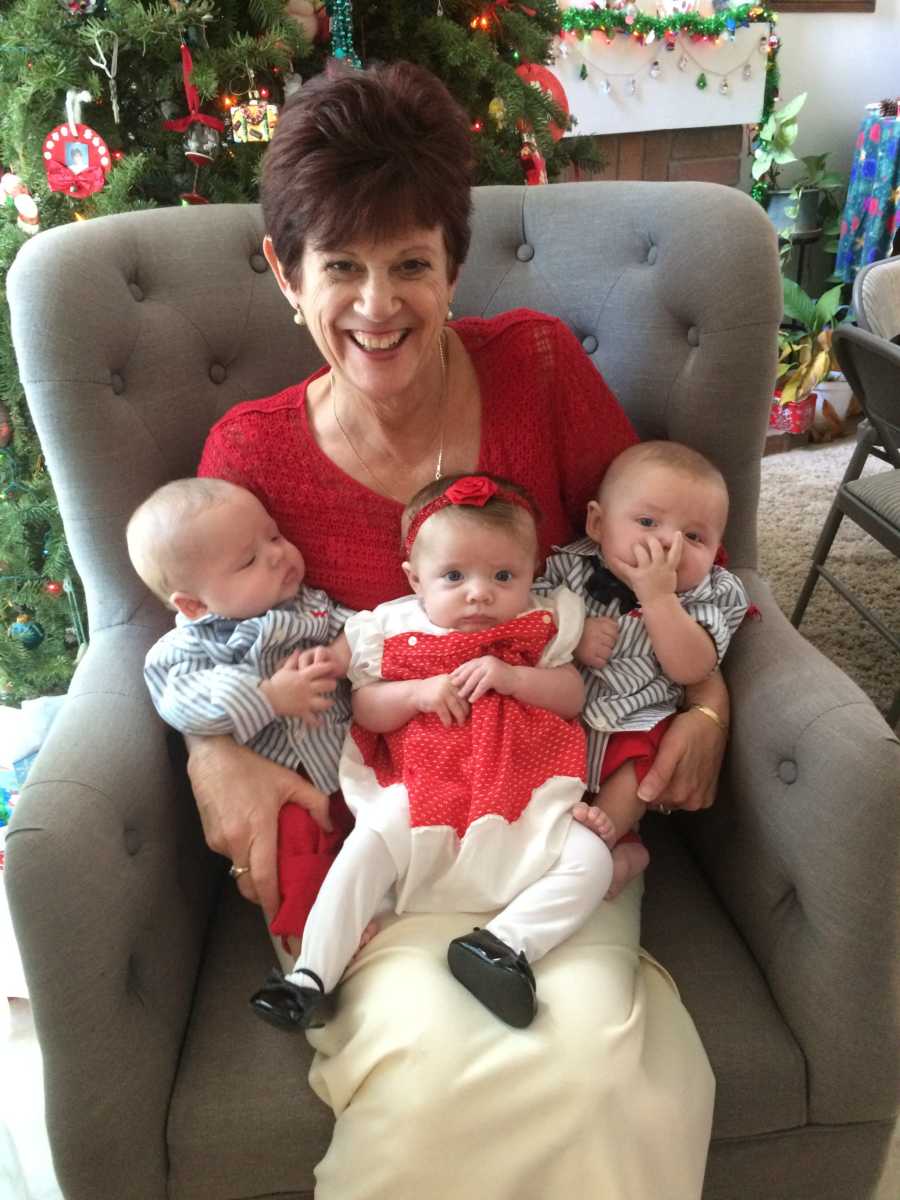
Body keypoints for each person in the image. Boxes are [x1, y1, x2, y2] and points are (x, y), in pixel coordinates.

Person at [189, 60, 723, 1199]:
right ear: (288, 273)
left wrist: (711, 706)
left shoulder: (534, 366)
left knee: (594, 1072)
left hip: (541, 831)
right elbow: (195, 647)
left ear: (453, 264)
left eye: (410, 265)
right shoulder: (250, 455)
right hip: (383, 848)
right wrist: (211, 749)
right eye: (341, 266)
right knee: (431, 1079)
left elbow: (659, 560)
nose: (377, 305)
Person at [251, 473, 613, 1032]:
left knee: (591, 858)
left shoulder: (538, 622)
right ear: (414, 579)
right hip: (425, 793)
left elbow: (572, 696)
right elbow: (366, 710)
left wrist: (513, 678)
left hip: (523, 792)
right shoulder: (390, 627)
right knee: (366, 846)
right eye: (453, 576)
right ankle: (311, 976)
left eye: (503, 575)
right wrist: (418, 692)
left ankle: (499, 947)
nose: (479, 593)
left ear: (532, 573)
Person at [126, 477, 355, 938]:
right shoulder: (185, 649)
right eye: (249, 560)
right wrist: (268, 696)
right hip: (283, 788)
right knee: (293, 850)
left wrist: (341, 652)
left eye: (274, 535)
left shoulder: (311, 607)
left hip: (351, 765)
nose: (277, 554)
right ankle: (321, 935)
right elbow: (181, 702)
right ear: (193, 604)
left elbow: (364, 628)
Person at [540, 441, 750, 899]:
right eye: (648, 522)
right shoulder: (568, 567)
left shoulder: (709, 594)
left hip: (637, 721)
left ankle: (600, 842)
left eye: (694, 537)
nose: (668, 545)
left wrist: (659, 600)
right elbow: (530, 622)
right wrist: (572, 634)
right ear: (598, 523)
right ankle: (619, 855)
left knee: (644, 756)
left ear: (716, 551)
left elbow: (693, 667)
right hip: (564, 717)